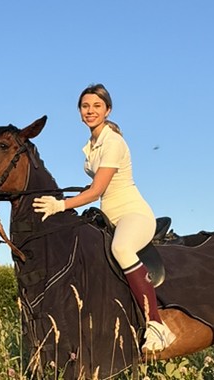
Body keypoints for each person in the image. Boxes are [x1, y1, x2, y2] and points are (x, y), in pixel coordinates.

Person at [32, 83, 176, 353]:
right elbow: (97, 188)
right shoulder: (91, 146)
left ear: (107, 110)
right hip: (110, 214)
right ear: (79, 112)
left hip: (133, 214)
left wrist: (59, 205)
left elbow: (98, 190)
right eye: (85, 106)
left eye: (97, 106)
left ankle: (157, 325)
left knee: (120, 248)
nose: (90, 111)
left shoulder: (113, 142)